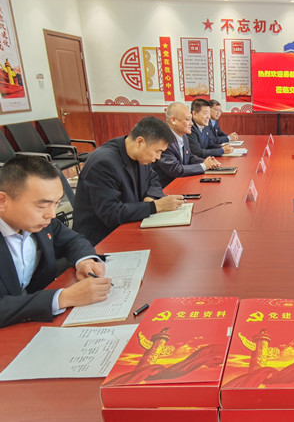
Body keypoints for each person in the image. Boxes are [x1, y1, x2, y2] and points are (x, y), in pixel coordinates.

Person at [0, 156, 112, 328]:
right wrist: (62, 298)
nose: (51, 214)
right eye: (42, 206)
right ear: (3, 201)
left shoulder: (41, 222)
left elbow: (72, 240)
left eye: (56, 203)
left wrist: (85, 261)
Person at [73, 117, 185, 246]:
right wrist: (155, 206)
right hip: (102, 238)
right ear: (140, 142)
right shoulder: (103, 163)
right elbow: (111, 213)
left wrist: (151, 197)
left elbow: (153, 178)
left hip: (131, 223)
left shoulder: (139, 155)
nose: (158, 157)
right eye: (157, 151)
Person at [152, 102, 221, 187]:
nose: (192, 123)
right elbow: (175, 169)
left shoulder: (183, 135)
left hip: (182, 182)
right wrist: (203, 166)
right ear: (173, 120)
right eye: (188, 119)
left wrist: (206, 162)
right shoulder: (163, 140)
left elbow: (189, 156)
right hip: (167, 187)